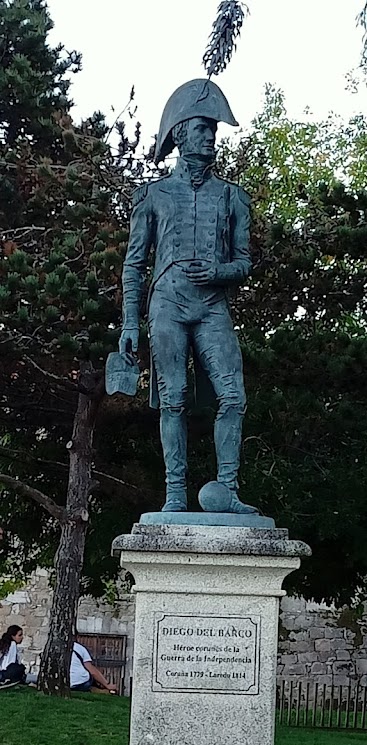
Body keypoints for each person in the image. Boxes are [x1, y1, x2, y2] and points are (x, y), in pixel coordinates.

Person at [117, 79, 256, 515]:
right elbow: (134, 264)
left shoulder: (232, 196)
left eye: (213, 129)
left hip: (212, 305)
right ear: (179, 134)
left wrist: (219, 272)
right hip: (167, 307)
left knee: (233, 397)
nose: (211, 136)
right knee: (173, 399)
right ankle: (175, 494)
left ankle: (227, 490)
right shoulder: (154, 195)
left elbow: (244, 262)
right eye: (202, 128)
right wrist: (128, 324)